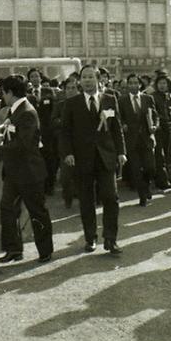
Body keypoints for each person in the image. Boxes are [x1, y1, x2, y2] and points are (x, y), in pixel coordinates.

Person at [60, 64, 126, 254]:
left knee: (111, 197)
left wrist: (121, 152)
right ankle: (90, 238)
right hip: (82, 159)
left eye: (91, 77)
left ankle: (111, 239)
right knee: (87, 200)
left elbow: (117, 129)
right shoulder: (72, 103)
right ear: (80, 81)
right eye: (84, 77)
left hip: (106, 157)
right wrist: (68, 153)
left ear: (99, 79)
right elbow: (65, 133)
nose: (87, 80)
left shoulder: (110, 99)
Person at [0, 75, 54, 264]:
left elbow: (23, 144)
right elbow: (14, 133)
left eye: (3, 92)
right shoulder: (16, 111)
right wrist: (1, 131)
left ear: (10, 92)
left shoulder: (27, 111)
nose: (1, 95)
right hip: (15, 171)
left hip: (29, 172)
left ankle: (45, 251)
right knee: (7, 208)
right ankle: (14, 249)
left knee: (37, 211)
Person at [119, 74, 159, 206]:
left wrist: (155, 126)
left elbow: (155, 115)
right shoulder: (122, 100)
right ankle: (142, 195)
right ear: (127, 86)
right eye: (130, 83)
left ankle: (146, 186)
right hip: (131, 140)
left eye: (136, 83)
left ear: (140, 84)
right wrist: (123, 124)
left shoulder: (148, 98)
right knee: (136, 169)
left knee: (150, 168)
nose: (133, 85)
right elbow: (119, 118)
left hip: (146, 138)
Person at [52, 76, 80, 208]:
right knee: (66, 176)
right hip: (65, 144)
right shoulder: (60, 105)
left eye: (73, 88)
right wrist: (64, 124)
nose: (71, 91)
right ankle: (68, 199)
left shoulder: (82, 103)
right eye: (68, 88)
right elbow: (53, 121)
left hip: (81, 144)